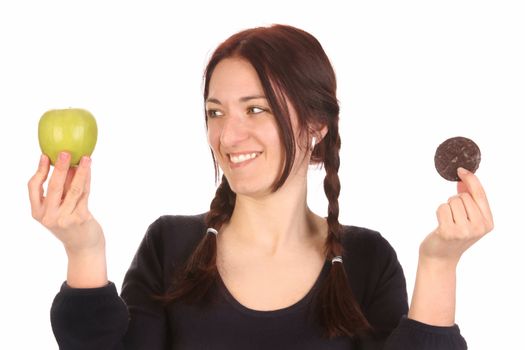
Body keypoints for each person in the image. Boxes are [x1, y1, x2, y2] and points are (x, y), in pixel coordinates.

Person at [28, 24, 494, 350]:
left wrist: (440, 263)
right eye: (216, 112)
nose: (228, 136)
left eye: (256, 109)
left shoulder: (367, 260)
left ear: (316, 124)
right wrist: (83, 250)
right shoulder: (170, 246)